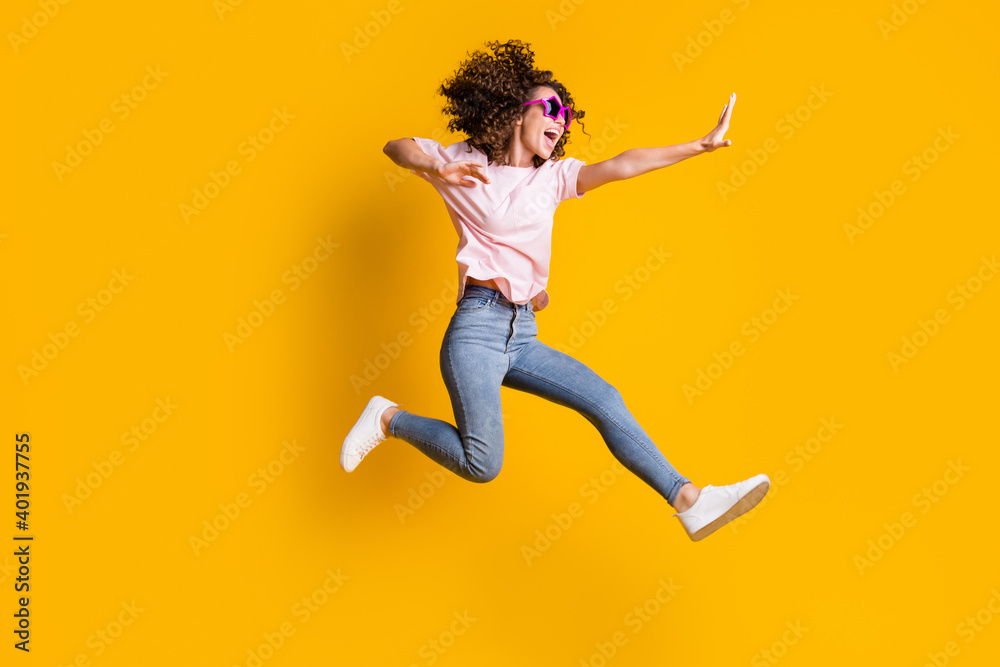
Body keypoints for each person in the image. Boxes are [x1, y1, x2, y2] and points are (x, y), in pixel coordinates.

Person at [342, 39, 769, 541]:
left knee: (605, 399)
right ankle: (389, 417)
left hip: (521, 331)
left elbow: (623, 164)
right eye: (550, 109)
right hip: (476, 330)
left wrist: (697, 146)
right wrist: (436, 166)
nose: (561, 120)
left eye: (566, 115)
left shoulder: (556, 178)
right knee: (482, 463)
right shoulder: (466, 162)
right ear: (516, 113)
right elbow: (397, 147)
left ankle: (690, 499)